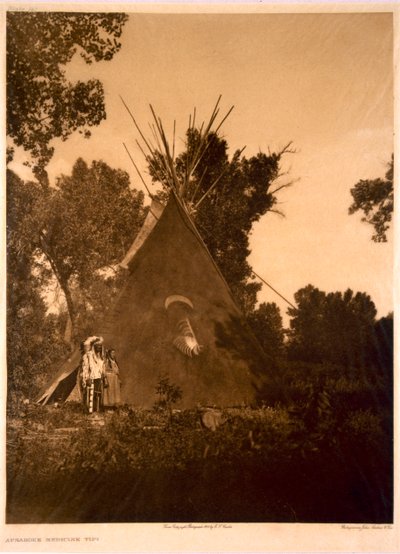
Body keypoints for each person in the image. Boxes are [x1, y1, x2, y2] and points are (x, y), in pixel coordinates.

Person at [81, 337, 106, 413]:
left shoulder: (101, 356)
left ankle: (95, 410)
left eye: (100, 346)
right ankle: (88, 411)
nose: (99, 348)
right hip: (90, 377)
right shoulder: (88, 355)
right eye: (97, 346)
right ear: (94, 346)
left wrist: (103, 376)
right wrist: (87, 378)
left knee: (97, 394)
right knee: (89, 393)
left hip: (98, 377)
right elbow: (85, 367)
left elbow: (102, 367)